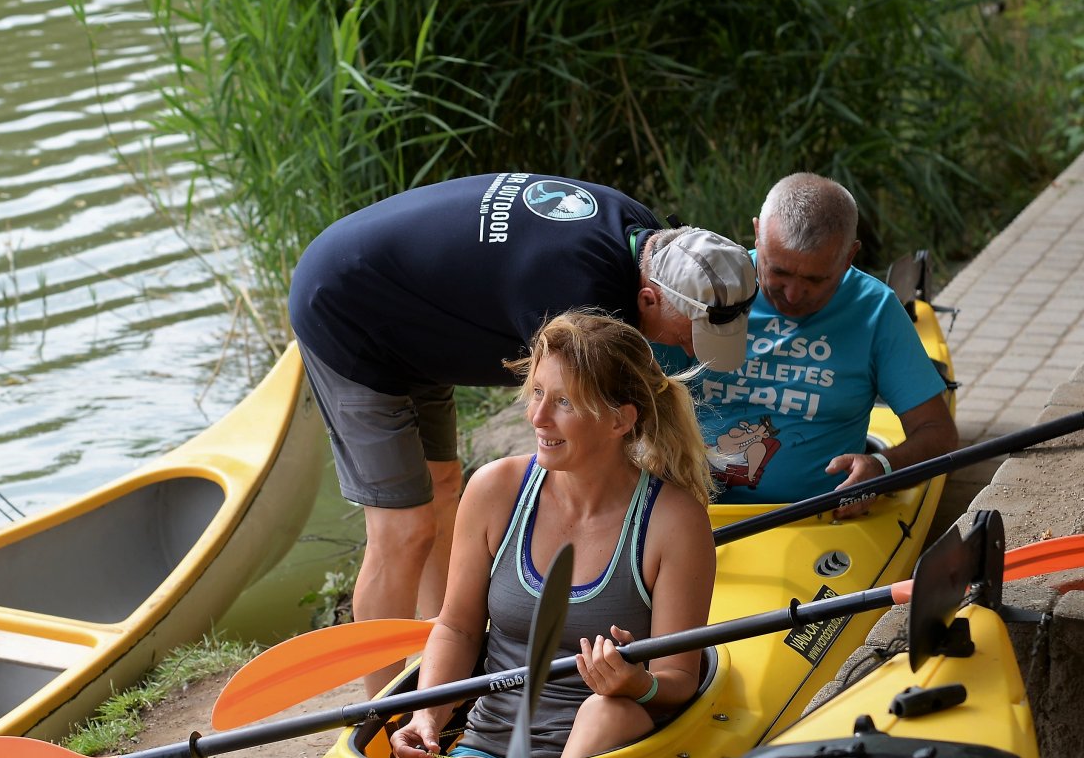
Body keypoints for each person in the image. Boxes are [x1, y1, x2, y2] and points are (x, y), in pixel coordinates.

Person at [288, 172, 755, 693]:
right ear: (647, 299)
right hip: (348, 308)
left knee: (443, 489)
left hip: (414, 316)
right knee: (403, 528)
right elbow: (557, 416)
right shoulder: (579, 296)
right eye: (690, 335)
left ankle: (441, 673)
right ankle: (382, 710)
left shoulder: (647, 241)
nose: (690, 350)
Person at [388, 312, 716, 758]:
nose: (537, 417)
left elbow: (679, 679)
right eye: (538, 393)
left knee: (604, 711)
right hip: (487, 746)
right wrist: (426, 717)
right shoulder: (493, 490)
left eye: (564, 402)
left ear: (619, 420)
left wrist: (637, 685)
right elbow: (457, 628)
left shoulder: (675, 521)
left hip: (601, 750)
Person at [657, 172, 957, 515]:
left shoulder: (875, 310)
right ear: (757, 234)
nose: (792, 294)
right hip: (694, 512)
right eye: (778, 272)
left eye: (816, 279)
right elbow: (635, 406)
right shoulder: (703, 287)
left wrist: (883, 467)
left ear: (850, 256)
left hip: (817, 518)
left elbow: (938, 433)